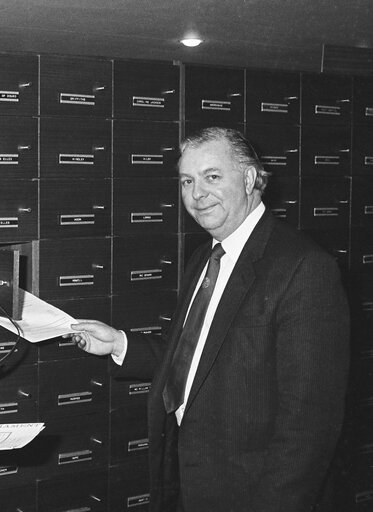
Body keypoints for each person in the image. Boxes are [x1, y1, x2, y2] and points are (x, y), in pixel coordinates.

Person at [68, 127, 350, 512]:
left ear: (250, 179)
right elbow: (195, 360)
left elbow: (308, 430)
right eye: (187, 180)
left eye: (212, 177)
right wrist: (119, 343)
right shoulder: (204, 258)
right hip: (190, 477)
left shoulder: (303, 267)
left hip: (253, 492)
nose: (197, 194)